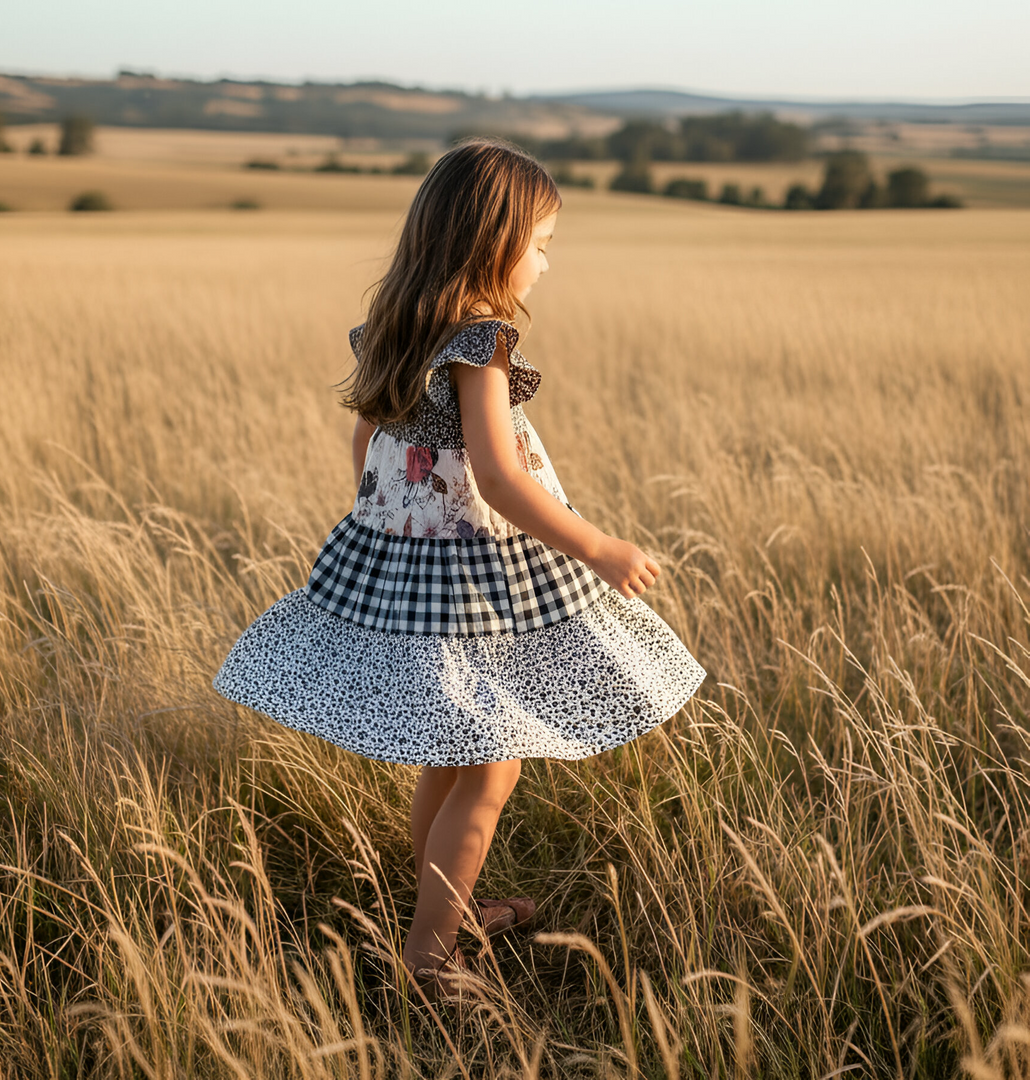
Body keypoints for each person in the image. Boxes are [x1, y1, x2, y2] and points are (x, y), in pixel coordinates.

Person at [212, 137, 706, 1001]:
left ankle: (450, 912)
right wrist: (598, 546)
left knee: (450, 745)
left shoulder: (400, 318)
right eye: (541, 244)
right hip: (475, 570)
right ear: (495, 239)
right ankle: (431, 960)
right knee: (492, 762)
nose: (547, 263)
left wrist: (384, 507)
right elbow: (499, 474)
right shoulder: (482, 340)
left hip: (411, 554)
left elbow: (367, 431)